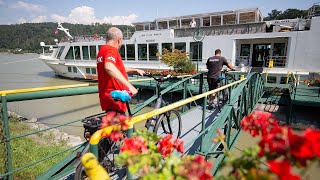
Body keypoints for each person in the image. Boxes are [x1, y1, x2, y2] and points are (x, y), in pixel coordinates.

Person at [97, 27, 145, 114]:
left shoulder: (102, 51)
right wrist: (130, 87)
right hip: (116, 100)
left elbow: (116, 68)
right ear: (119, 40)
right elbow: (109, 67)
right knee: (121, 126)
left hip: (107, 99)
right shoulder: (112, 50)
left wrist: (134, 70)